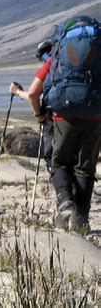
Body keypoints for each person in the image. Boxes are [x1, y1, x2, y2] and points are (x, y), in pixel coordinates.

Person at [30, 18, 100, 234]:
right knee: (85, 169)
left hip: (63, 115)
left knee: (59, 162)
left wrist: (40, 116)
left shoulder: (56, 59)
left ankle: (65, 204)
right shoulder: (98, 56)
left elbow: (33, 93)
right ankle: (81, 221)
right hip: (95, 115)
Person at [10, 41, 54, 173]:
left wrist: (16, 91)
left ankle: (64, 192)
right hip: (89, 117)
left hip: (55, 118)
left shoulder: (51, 65)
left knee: (52, 157)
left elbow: (32, 95)